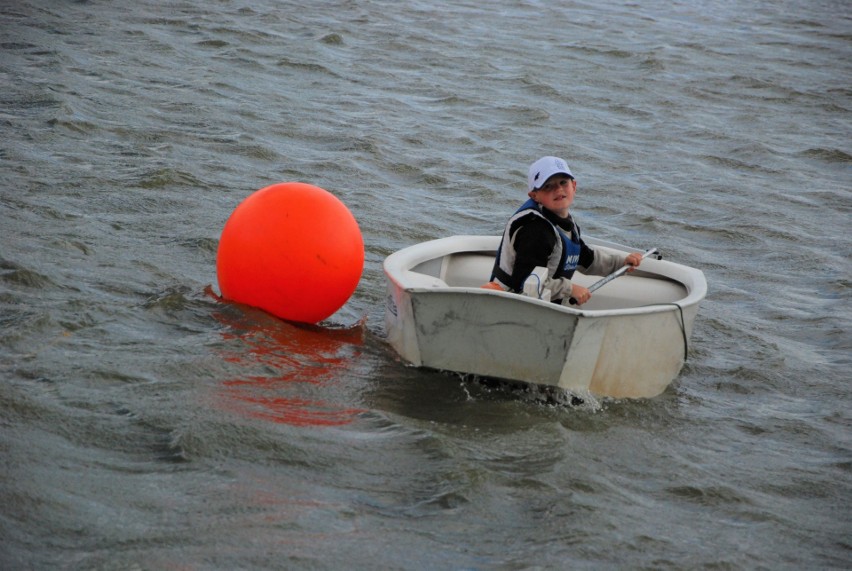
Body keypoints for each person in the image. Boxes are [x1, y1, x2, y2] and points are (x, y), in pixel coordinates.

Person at [489, 155, 643, 305]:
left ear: (574, 186)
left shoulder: (567, 225)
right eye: (548, 186)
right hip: (511, 304)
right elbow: (526, 282)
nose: (558, 189)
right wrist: (570, 289)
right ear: (534, 196)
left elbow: (586, 258)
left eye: (563, 182)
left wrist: (620, 263)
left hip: (542, 307)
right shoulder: (535, 230)